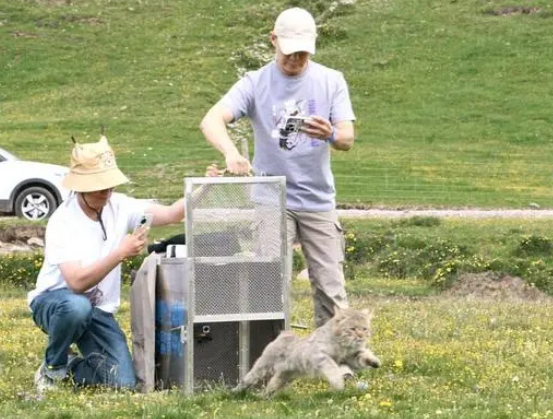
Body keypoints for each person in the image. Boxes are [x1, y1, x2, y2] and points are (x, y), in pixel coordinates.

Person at [200, 7, 356, 327]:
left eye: (302, 53)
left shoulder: (331, 81)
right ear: (273, 40)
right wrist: (231, 152)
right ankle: (268, 359)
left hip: (317, 199)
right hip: (271, 198)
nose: (295, 60)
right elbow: (212, 120)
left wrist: (331, 134)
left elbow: (347, 139)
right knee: (269, 284)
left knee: (331, 287)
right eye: (289, 52)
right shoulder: (255, 83)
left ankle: (335, 361)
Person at [27, 135, 208, 393]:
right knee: (77, 307)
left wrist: (203, 186)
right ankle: (52, 368)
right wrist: (120, 253)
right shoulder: (63, 221)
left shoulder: (120, 205)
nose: (107, 191)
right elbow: (76, 283)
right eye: (100, 186)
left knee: (122, 382)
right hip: (56, 302)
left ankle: (70, 365)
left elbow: (171, 214)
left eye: (110, 185)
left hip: (98, 310)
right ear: (81, 188)